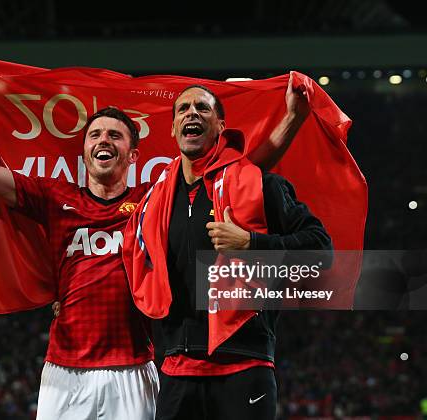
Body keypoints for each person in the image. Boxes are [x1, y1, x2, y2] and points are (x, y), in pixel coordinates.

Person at [0, 37, 311, 419]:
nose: (104, 140)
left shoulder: (156, 197)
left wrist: (292, 119)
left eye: (115, 135)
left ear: (132, 153)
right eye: (95, 135)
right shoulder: (53, 196)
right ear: (84, 151)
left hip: (134, 368)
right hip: (63, 371)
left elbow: (243, 170)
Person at [122, 85, 333, 420]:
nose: (191, 113)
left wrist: (252, 243)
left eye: (202, 108)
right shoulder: (154, 203)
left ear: (221, 126)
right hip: (177, 368)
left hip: (244, 364)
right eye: (183, 109)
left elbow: (322, 250)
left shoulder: (260, 185)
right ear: (174, 129)